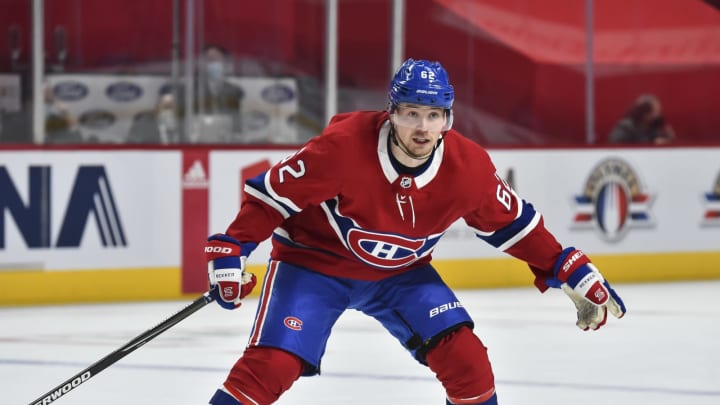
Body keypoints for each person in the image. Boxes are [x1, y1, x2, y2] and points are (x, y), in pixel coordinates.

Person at [203, 59, 626, 405]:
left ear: (447, 119)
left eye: (433, 115)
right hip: (314, 265)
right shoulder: (343, 147)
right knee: (272, 367)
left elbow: (515, 225)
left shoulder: (469, 169)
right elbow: (272, 196)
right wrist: (233, 248)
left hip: (400, 275)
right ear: (392, 113)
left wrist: (565, 266)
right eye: (410, 114)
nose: (422, 128)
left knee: (469, 364)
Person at [608, 94, 676, 144]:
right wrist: (651, 143)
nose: (658, 115)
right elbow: (616, 145)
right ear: (645, 113)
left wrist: (668, 138)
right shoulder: (625, 127)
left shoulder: (654, 128)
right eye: (656, 111)